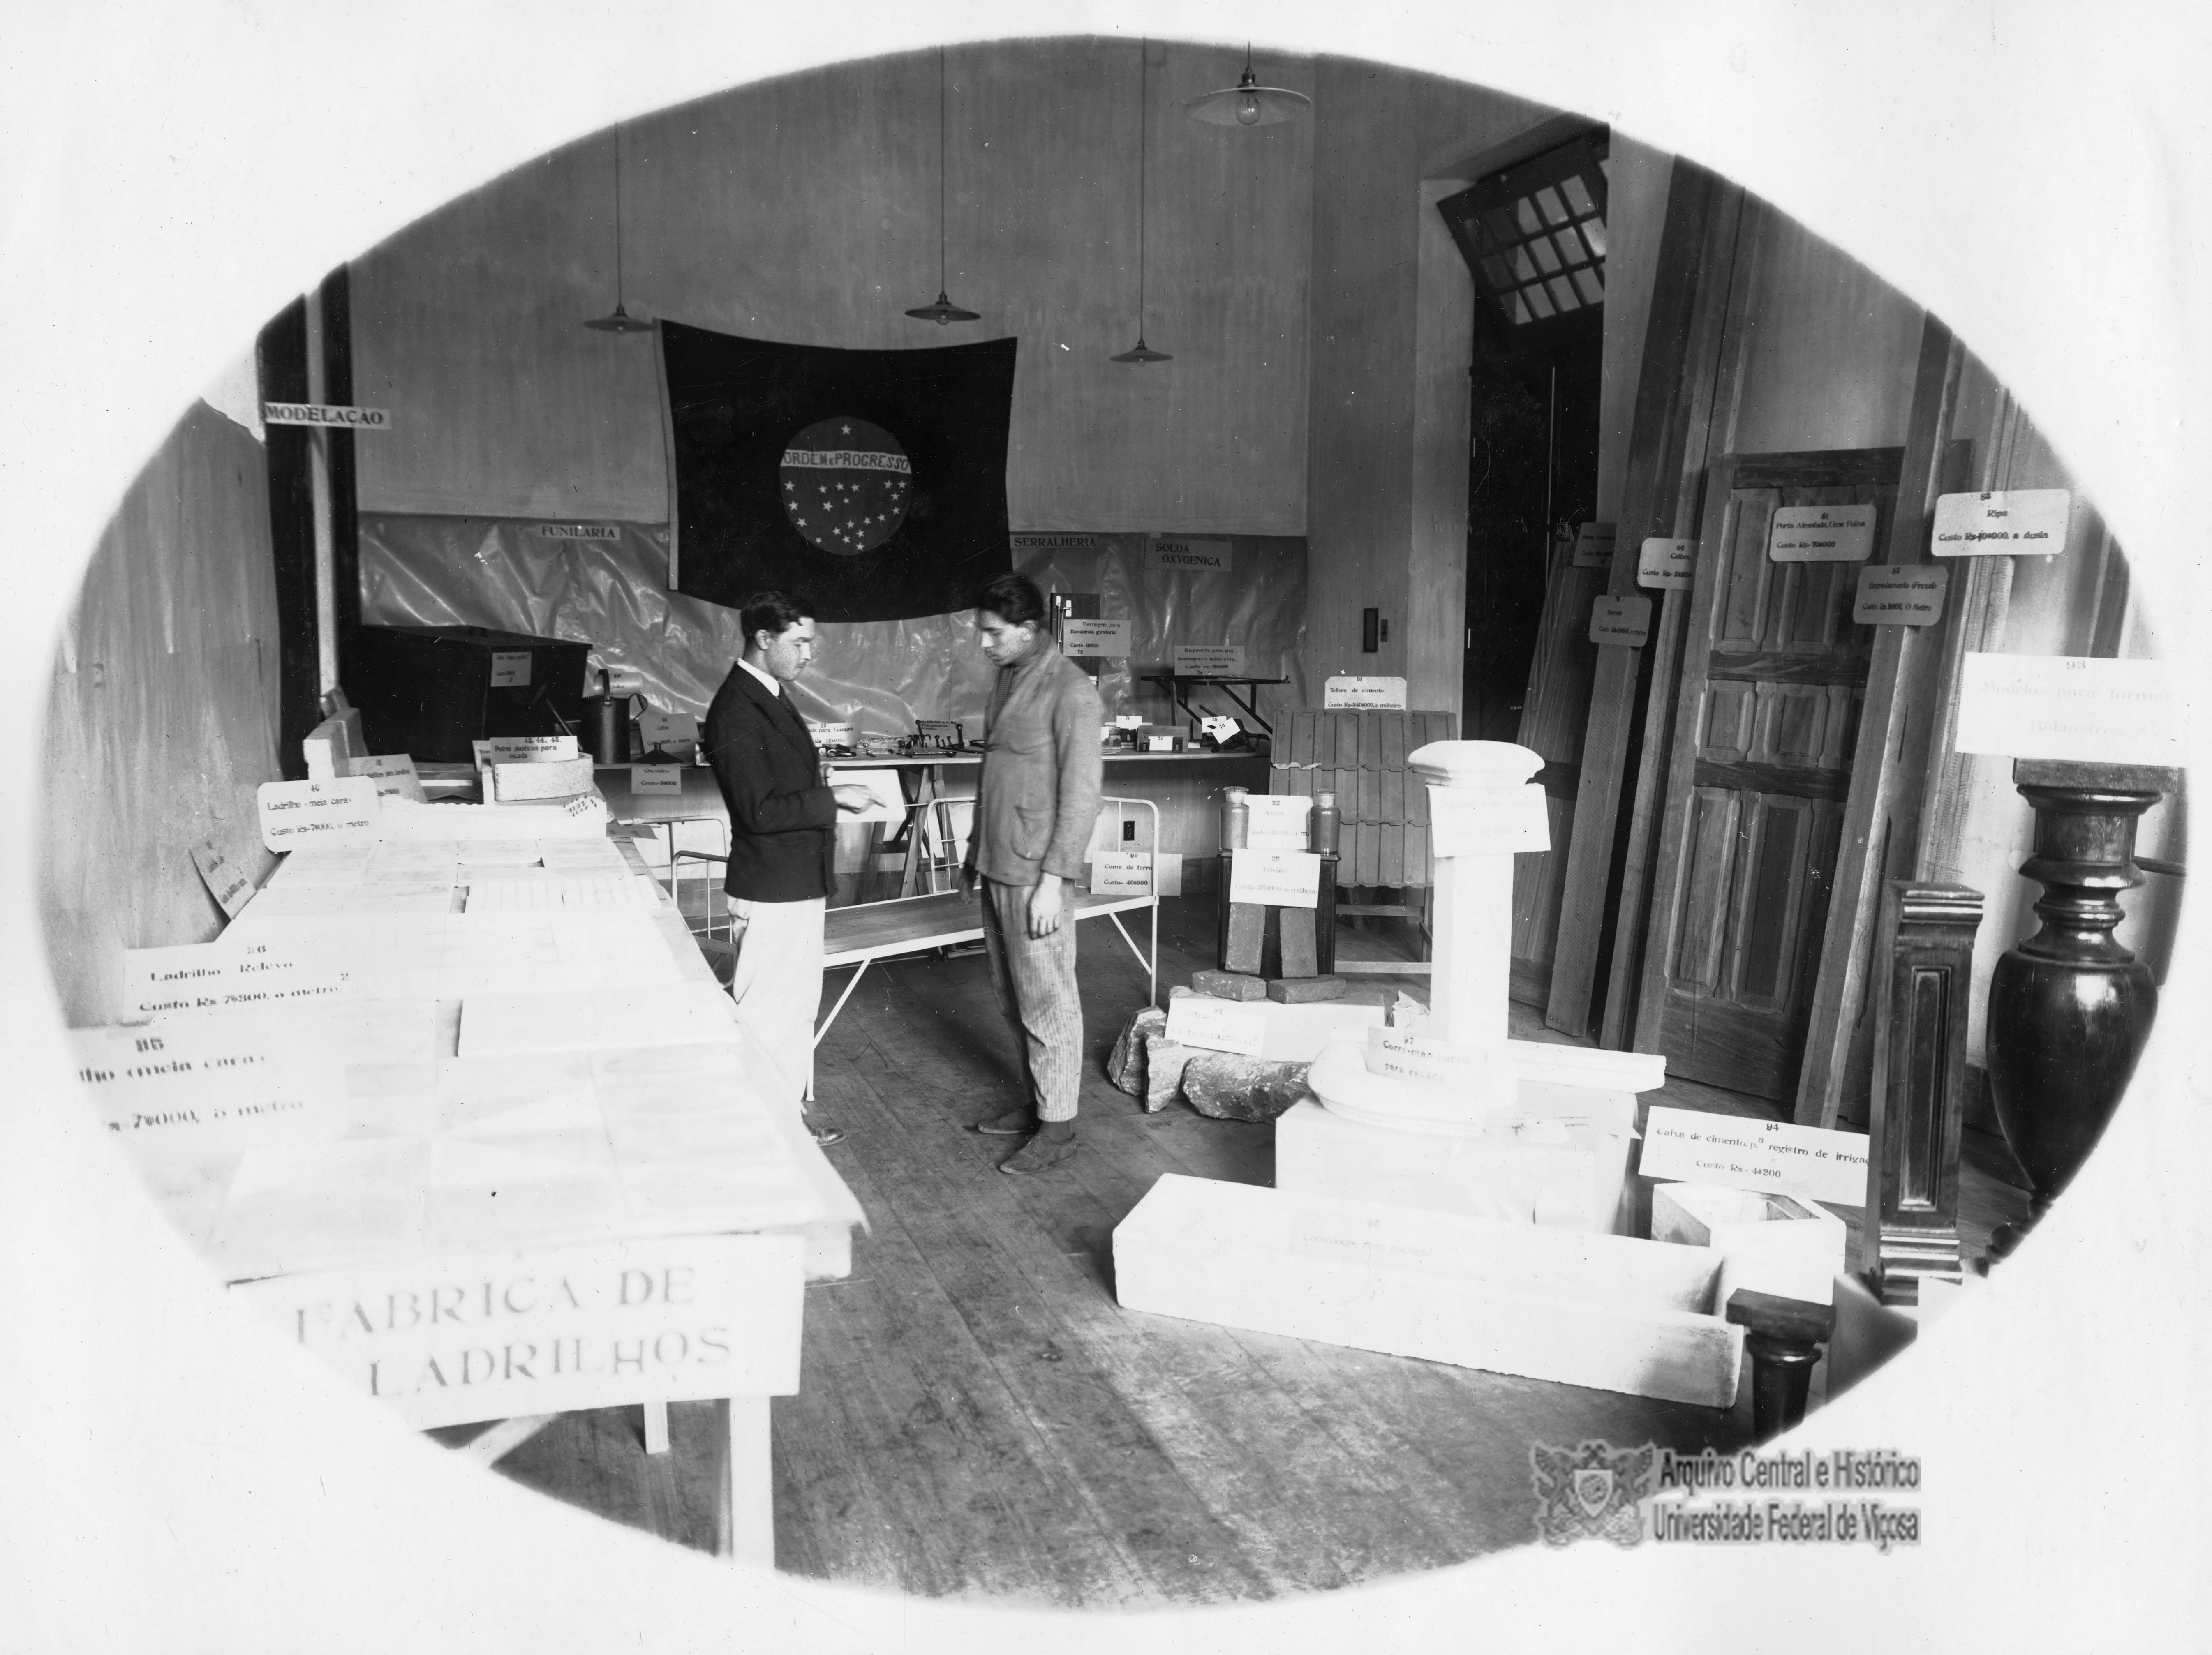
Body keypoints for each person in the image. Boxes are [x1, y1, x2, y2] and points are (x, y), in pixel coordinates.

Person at [702, 591, 875, 1147]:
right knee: (766, 1012)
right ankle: (759, 1129)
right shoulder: (736, 708)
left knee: (795, 1008)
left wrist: (821, 790)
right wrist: (832, 797)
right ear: (763, 639)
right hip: (773, 887)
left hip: (794, 883)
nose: (809, 654)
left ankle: (784, 1111)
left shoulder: (769, 695)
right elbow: (759, 812)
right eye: (799, 642)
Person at [960, 571, 1105, 1174]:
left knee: (1048, 1000)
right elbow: (997, 774)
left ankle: (1060, 1128)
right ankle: (1041, 1103)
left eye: (994, 633)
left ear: (1026, 629)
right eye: (982, 632)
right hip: (998, 863)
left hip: (1034, 874)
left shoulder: (1071, 690)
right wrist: (973, 854)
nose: (984, 643)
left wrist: (1053, 880)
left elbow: (1082, 795)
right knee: (1012, 997)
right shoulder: (1009, 676)